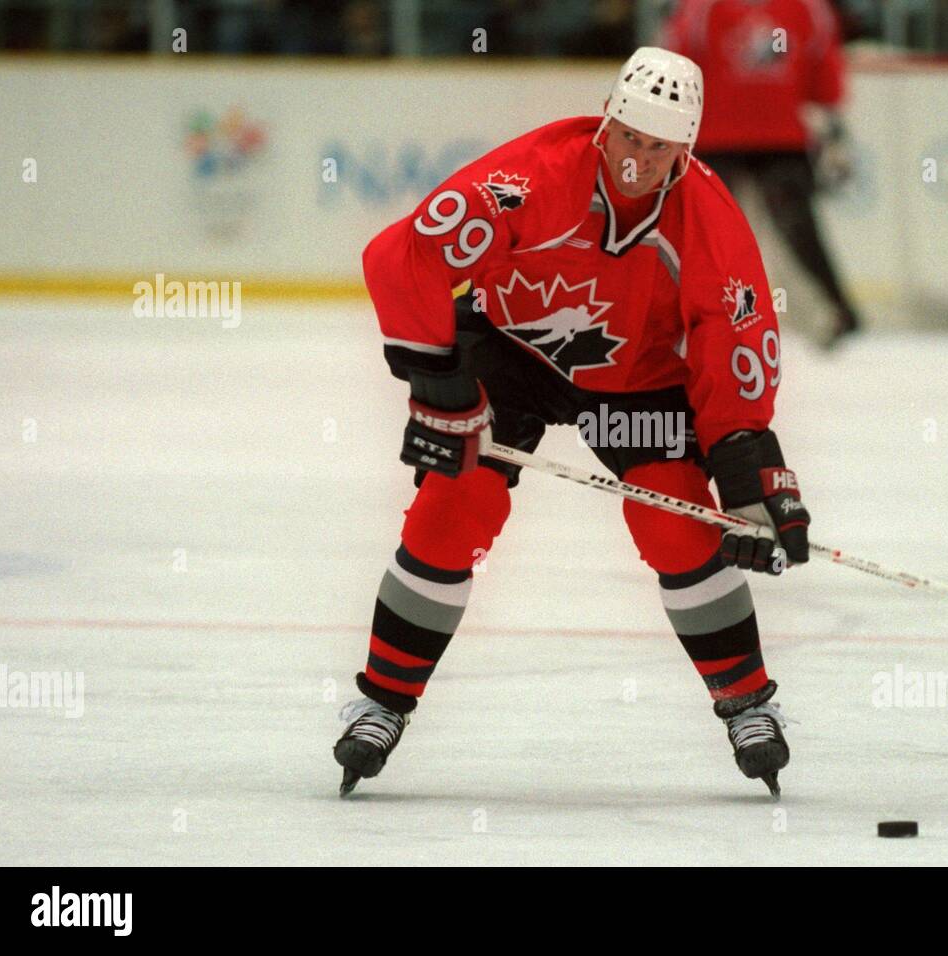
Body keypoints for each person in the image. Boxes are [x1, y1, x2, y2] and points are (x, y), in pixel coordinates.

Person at [333, 48, 812, 798]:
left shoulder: (710, 224)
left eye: (656, 147)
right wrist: (440, 383)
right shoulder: (532, 178)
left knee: (678, 526)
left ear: (683, 151)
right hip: (509, 351)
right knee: (454, 505)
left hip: (636, 384)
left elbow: (735, 345)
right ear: (607, 122)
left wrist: (750, 467)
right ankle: (381, 701)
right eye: (627, 136)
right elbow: (404, 255)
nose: (635, 157)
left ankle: (749, 702)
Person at [661, 0, 863, 347]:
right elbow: (825, 77)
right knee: (793, 230)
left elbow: (676, 67)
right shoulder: (808, 9)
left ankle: (681, 315)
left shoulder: (700, 8)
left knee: (705, 234)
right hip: (769, 138)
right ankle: (836, 310)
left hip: (725, 137)